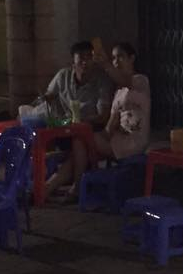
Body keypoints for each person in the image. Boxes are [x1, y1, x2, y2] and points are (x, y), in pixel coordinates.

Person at [44, 42, 149, 201]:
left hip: (133, 141)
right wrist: (98, 135)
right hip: (117, 139)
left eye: (120, 57)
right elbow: (111, 123)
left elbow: (125, 81)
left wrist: (105, 63)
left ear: (132, 58)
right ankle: (51, 186)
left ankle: (74, 188)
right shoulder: (118, 90)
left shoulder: (140, 80)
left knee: (81, 142)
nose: (116, 62)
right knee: (79, 145)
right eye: (113, 58)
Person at [45, 40, 113, 127]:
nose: (85, 62)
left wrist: (78, 121)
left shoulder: (102, 80)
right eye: (81, 58)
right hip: (65, 125)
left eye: (89, 57)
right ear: (73, 62)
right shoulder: (63, 75)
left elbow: (102, 117)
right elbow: (48, 97)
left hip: (91, 127)